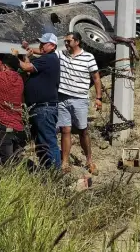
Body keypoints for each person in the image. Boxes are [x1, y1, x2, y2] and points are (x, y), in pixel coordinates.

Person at [55, 31, 102, 175]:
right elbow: (47, 50)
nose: (66, 44)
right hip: (62, 98)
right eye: (65, 41)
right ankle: (65, 162)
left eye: (68, 41)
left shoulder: (88, 57)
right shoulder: (61, 54)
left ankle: (89, 160)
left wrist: (98, 98)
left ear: (77, 42)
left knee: (83, 130)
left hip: (80, 99)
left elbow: (96, 78)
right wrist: (30, 50)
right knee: (65, 130)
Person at [19, 33, 61, 170]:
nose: (41, 46)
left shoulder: (48, 59)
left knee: (48, 142)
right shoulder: (47, 58)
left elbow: (26, 67)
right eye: (41, 43)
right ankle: (47, 170)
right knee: (41, 142)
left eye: (44, 44)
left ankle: (55, 173)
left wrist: (13, 57)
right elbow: (30, 64)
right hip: (40, 108)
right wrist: (26, 52)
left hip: (45, 108)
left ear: (52, 46)